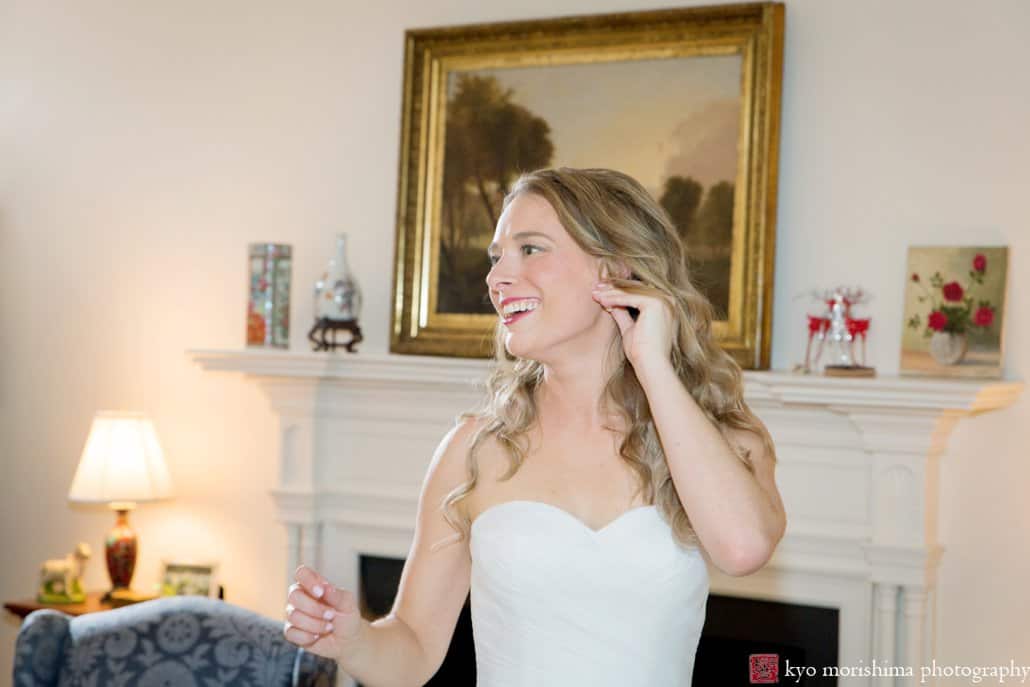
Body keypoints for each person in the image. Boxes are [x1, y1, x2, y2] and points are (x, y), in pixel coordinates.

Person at [283, 167, 787, 685]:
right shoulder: (473, 450)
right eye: (497, 255)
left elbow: (743, 549)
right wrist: (354, 640)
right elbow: (412, 649)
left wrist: (652, 364)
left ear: (616, 269)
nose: (497, 278)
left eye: (531, 249)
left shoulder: (722, 439)